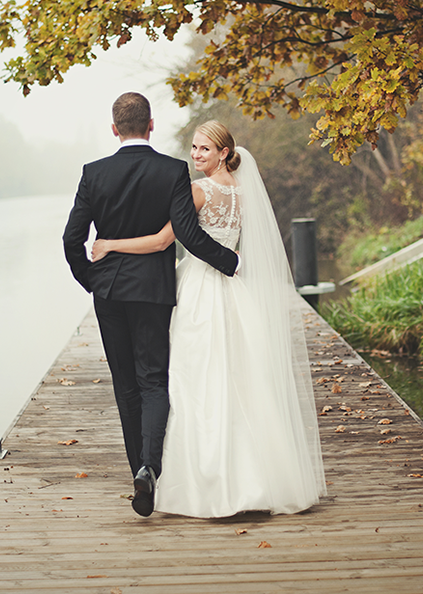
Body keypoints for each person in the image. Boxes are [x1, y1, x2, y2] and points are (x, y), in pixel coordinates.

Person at [91, 121, 327, 517]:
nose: (196, 154)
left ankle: (207, 483)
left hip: (201, 289)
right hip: (234, 291)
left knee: (192, 380)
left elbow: (164, 240)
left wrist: (111, 243)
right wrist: (232, 262)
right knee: (240, 380)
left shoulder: (199, 191)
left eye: (204, 149)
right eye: (195, 148)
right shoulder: (245, 191)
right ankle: (259, 479)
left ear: (223, 152)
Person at [62, 94, 239, 518]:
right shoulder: (172, 171)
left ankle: (138, 474)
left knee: (126, 386)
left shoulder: (93, 173)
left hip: (109, 292)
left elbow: (72, 240)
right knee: (153, 382)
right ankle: (150, 466)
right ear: (152, 125)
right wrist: (232, 262)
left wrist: (93, 280)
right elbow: (184, 233)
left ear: (114, 128)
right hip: (155, 291)